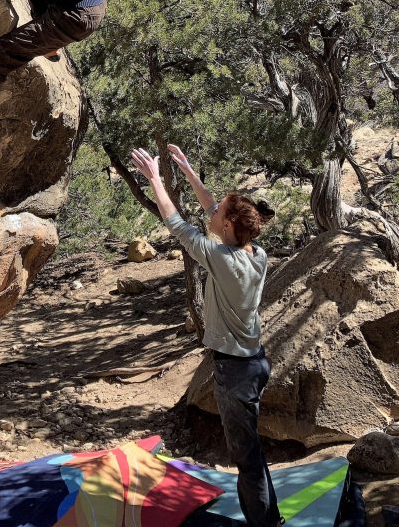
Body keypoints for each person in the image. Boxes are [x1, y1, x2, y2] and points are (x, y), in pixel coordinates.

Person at [130, 142, 282, 527]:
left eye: (219, 212)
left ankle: (264, 523)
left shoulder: (221, 258)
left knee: (247, 459)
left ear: (228, 225)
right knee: (252, 452)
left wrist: (156, 180)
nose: (212, 211)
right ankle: (270, 517)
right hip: (255, 363)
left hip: (235, 372)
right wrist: (189, 172)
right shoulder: (254, 252)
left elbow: (176, 224)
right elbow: (216, 208)